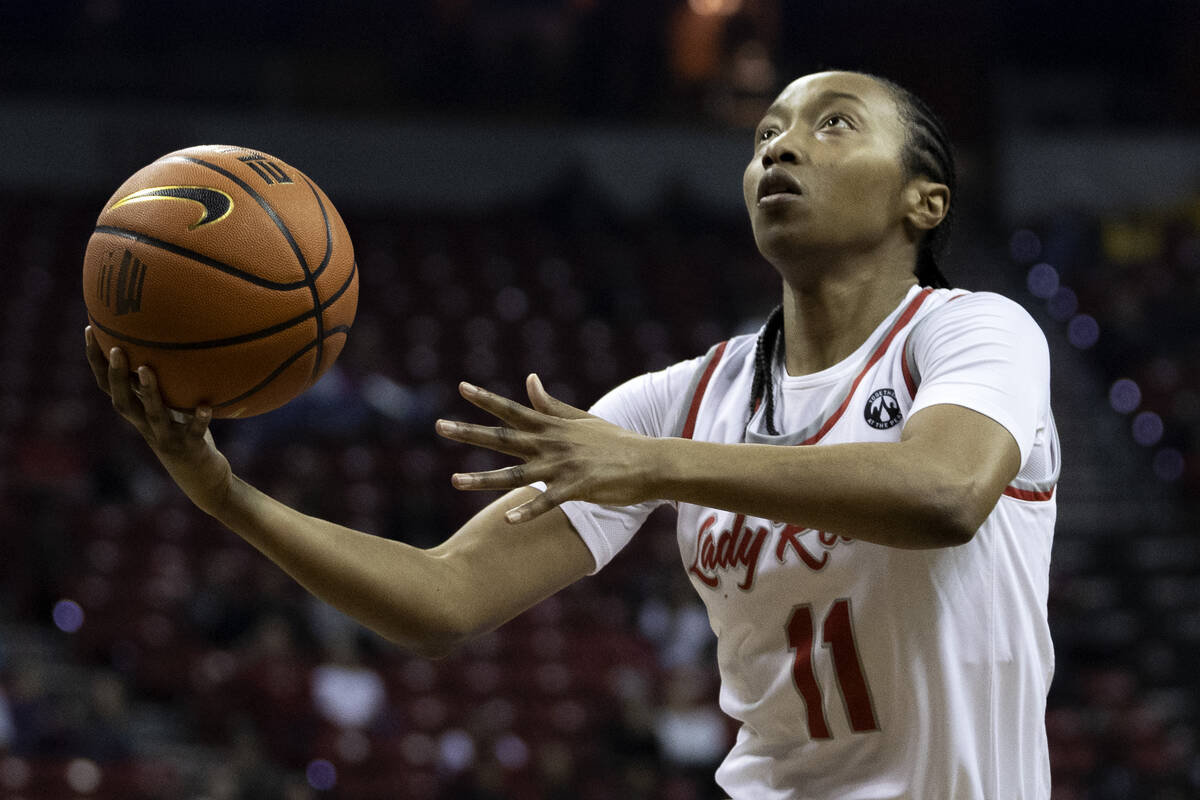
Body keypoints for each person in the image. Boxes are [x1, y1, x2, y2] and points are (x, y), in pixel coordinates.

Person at [85, 70, 1058, 798]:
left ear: (923, 201)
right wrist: (224, 496)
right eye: (766, 133)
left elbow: (946, 492)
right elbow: (442, 596)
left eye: (832, 123)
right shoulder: (685, 395)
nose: (780, 148)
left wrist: (657, 465)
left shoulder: (970, 332)